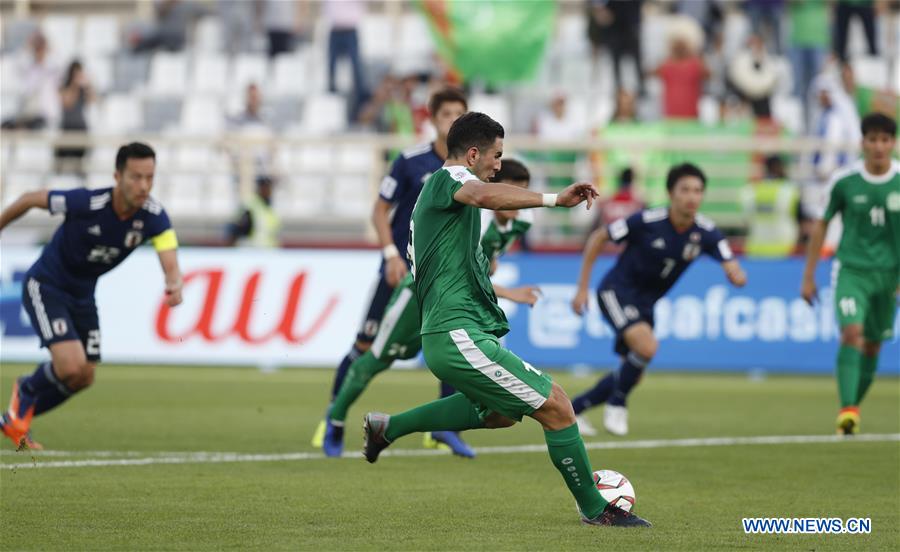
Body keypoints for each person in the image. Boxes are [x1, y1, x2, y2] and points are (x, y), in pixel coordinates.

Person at [361, 111, 651, 527]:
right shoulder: (451, 180)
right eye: (497, 157)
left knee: (499, 413)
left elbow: (473, 238)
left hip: (463, 332)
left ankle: (388, 427)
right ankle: (596, 508)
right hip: (456, 333)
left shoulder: (448, 202)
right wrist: (554, 199)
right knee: (557, 406)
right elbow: (485, 195)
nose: (500, 166)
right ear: (474, 154)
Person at [321, 159, 541, 458]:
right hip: (419, 293)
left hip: (455, 295)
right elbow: (466, 266)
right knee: (377, 359)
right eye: (513, 192)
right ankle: (335, 420)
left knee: (460, 357)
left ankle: (443, 429)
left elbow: (485, 264)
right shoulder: (477, 215)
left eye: (523, 193)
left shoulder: (520, 223)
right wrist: (510, 293)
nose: (518, 201)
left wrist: (494, 267)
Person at [310, 88, 469, 448]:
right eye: (447, 114)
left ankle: (445, 429)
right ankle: (333, 417)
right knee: (366, 345)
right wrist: (390, 254)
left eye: (460, 113)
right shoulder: (410, 161)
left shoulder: (467, 170)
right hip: (399, 272)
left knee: (454, 344)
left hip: (438, 279)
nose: (453, 120)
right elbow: (380, 210)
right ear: (432, 119)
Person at [0, 142, 183, 450]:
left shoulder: (153, 216)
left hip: (84, 296)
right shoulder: (87, 202)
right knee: (70, 365)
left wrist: (174, 282)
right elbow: (32, 199)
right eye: (135, 177)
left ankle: (15, 418)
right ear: (117, 175)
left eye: (149, 177)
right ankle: (25, 391)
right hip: (47, 285)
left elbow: (169, 255)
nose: (143, 186)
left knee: (83, 376)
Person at [571, 163, 747, 437]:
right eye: (685, 190)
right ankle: (617, 404)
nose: (692, 196)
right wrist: (582, 288)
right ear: (670, 193)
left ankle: (574, 409)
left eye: (698, 191)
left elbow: (730, 262)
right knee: (647, 347)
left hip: (645, 304)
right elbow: (599, 237)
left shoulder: (706, 232)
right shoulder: (647, 221)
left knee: (634, 371)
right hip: (616, 291)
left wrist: (735, 274)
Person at [801, 113, 899, 436]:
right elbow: (822, 225)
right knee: (851, 333)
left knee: (872, 346)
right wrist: (809, 275)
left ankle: (852, 408)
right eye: (872, 139)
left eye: (885, 139)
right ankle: (847, 410)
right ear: (863, 142)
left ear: (893, 143)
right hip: (851, 270)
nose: (879, 146)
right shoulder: (844, 181)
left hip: (889, 276)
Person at [56, 60, 95, 170]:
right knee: (62, 159)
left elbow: (93, 100)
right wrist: (75, 86)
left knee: (80, 158)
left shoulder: (84, 88)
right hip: (67, 127)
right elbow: (68, 103)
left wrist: (87, 85)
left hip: (80, 127)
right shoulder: (64, 87)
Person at [225, 175, 280, 247]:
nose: (267, 190)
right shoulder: (249, 206)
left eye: (268, 187)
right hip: (252, 251)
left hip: (268, 252)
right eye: (264, 187)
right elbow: (236, 228)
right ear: (259, 188)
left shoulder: (271, 207)